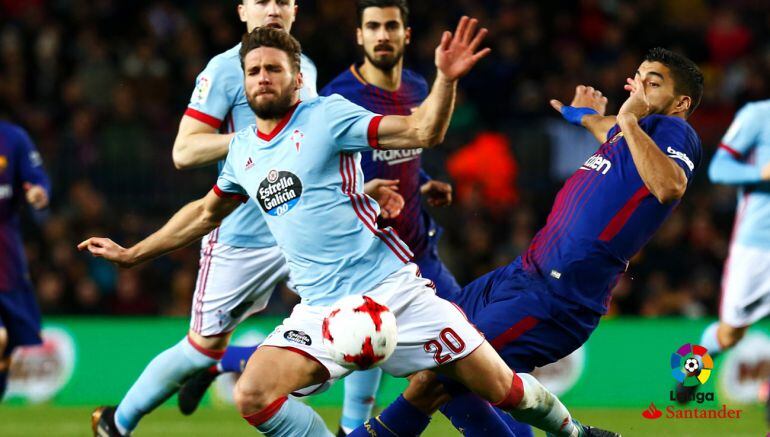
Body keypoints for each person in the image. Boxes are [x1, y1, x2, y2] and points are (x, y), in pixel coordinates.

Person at [80, 22, 608, 437]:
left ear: (295, 78)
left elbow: (424, 130)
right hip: (319, 310)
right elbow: (204, 214)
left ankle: (575, 432)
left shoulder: (328, 117)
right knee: (254, 395)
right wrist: (134, 254)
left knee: (501, 387)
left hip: (394, 293)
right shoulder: (240, 150)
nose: (262, 77)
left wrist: (445, 79)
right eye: (254, 71)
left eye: (273, 69)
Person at [349, 46, 703, 436]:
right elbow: (613, 132)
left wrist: (628, 120)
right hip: (521, 273)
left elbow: (670, 186)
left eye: (653, 83)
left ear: (680, 101)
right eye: (638, 78)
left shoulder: (674, 130)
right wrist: (587, 118)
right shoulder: (631, 136)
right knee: (428, 358)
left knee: (438, 377)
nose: (638, 88)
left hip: (558, 297)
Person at [88, 1, 396, 435]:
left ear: (295, 10)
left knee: (361, 309)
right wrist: (257, 139)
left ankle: (353, 428)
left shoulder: (302, 64)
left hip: (303, 229)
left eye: (282, 1)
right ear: (241, 11)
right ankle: (118, 423)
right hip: (242, 236)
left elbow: (314, 148)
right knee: (201, 349)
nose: (272, 8)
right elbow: (184, 150)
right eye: (261, 0)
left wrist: (357, 190)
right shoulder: (225, 70)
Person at [177, 0, 466, 433]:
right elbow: (321, 163)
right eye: (372, 26)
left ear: (407, 35)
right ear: (359, 36)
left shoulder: (416, 85)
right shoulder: (335, 96)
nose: (382, 35)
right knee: (371, 348)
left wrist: (421, 181)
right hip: (355, 244)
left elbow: (400, 150)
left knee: (414, 352)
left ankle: (231, 367)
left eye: (390, 26)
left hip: (412, 242)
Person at [679, 99, 770, 414]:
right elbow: (719, 168)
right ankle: (693, 369)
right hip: (758, 247)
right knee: (730, 333)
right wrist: (762, 171)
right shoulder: (758, 116)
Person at [0, 120, 50, 401]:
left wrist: (39, 193)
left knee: (7, 349)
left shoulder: (13, 138)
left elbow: (37, 177)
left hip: (6, 261)